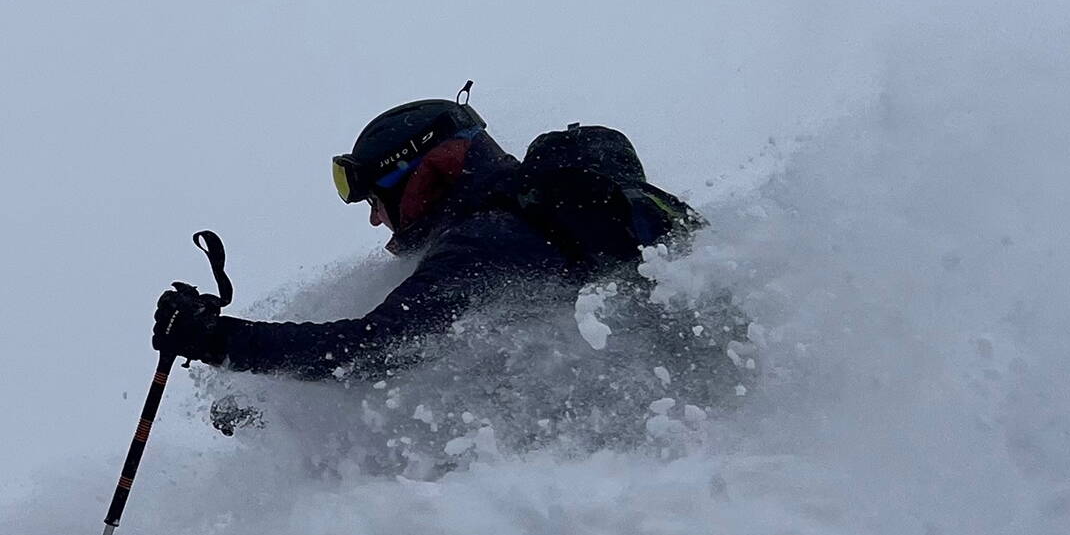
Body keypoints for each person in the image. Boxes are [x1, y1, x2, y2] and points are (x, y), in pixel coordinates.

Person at [150, 97, 709, 384]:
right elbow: (445, 367)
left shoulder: (489, 239)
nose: (376, 221)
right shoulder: (523, 228)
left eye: (376, 200)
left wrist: (217, 341)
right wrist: (264, 403)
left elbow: (373, 351)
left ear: (429, 170)